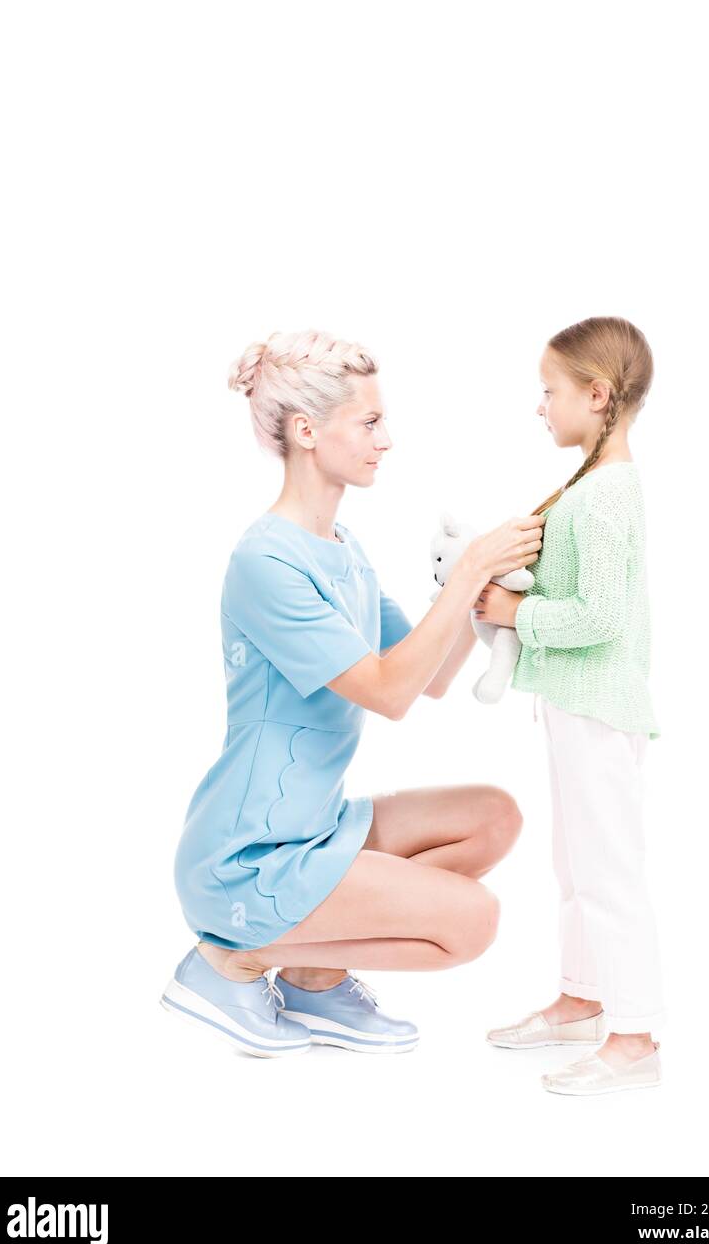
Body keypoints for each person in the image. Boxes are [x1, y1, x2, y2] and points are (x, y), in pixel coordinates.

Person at [161, 329, 544, 1057]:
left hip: (315, 827)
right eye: (369, 422)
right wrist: (466, 579)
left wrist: (471, 587)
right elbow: (386, 692)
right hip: (248, 856)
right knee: (473, 921)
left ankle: (314, 970)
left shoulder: (343, 549)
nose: (386, 439)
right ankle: (230, 959)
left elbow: (426, 678)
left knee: (493, 817)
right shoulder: (266, 558)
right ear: (308, 431)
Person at [477, 316, 667, 1096]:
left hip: (598, 706)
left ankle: (635, 1038)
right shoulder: (589, 485)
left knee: (607, 870)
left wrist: (511, 615)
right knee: (574, 865)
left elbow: (599, 618)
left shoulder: (610, 493)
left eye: (550, 391)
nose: (541, 406)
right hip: (569, 701)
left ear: (597, 395)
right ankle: (583, 997)